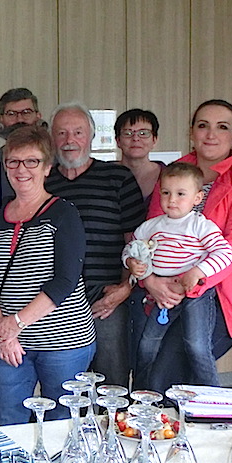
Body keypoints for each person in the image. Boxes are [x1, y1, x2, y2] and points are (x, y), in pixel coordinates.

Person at [135, 99, 232, 388]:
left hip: (222, 297)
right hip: (165, 290)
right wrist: (152, 281)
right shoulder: (173, 171)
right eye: (203, 125)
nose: (211, 134)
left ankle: (202, 425)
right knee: (152, 368)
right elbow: (153, 232)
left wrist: (190, 281)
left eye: (222, 127)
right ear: (191, 132)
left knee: (167, 379)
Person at [0, 126, 95, 425]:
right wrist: (4, 334)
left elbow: (65, 280)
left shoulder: (63, 213)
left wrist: (15, 324)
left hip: (64, 342)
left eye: (32, 161)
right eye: (13, 162)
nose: (21, 169)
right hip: (9, 343)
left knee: (62, 422)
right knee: (7, 419)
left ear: (47, 168)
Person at [44, 102, 145, 387]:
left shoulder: (118, 178)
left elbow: (136, 242)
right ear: (52, 139)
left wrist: (126, 288)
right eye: (61, 133)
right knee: (65, 388)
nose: (69, 141)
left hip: (107, 299)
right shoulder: (43, 181)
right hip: (55, 302)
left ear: (91, 137)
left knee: (112, 382)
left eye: (77, 132)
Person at [124, 163, 232, 392]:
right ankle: (143, 397)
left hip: (195, 296)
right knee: (146, 346)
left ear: (197, 198)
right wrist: (131, 263)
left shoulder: (201, 226)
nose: (171, 200)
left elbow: (226, 253)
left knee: (196, 346)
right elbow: (131, 249)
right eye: (166, 193)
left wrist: (197, 271)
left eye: (180, 194)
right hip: (162, 297)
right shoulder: (150, 226)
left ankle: (215, 398)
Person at [0, 88, 45, 203]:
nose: (19, 119)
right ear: (1, 119)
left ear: (38, 116)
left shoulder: (54, 160)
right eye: (11, 114)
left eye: (26, 113)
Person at [115, 108, 164, 204]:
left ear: (154, 140)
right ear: (118, 140)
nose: (135, 138)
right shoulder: (104, 175)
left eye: (143, 133)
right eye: (128, 133)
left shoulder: (169, 174)